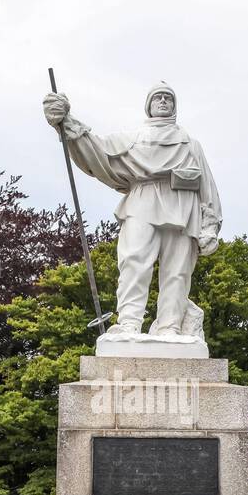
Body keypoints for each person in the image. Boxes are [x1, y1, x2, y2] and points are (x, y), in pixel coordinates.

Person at [42, 82, 222, 339]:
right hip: (142, 202)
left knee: (178, 271)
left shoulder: (191, 145)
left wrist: (210, 226)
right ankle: (129, 323)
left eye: (168, 98)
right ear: (148, 106)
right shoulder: (132, 139)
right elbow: (97, 150)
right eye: (157, 98)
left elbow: (207, 187)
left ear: (174, 106)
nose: (163, 101)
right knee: (133, 262)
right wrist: (66, 122)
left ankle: (170, 326)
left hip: (183, 207)